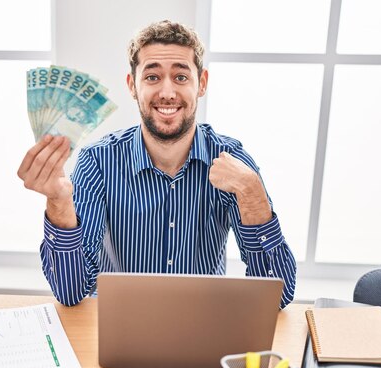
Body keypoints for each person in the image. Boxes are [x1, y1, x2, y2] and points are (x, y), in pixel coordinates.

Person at [18, 20, 296, 308]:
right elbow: (70, 292)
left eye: (180, 77)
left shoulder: (232, 161)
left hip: (202, 323)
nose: (167, 92)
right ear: (132, 86)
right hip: (121, 322)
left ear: (201, 84)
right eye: (152, 77)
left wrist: (253, 197)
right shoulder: (97, 162)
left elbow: (279, 297)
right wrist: (59, 202)